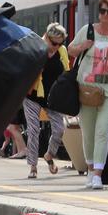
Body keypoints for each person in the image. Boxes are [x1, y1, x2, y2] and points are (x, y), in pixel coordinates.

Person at [68, 0, 108, 190]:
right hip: (87, 90)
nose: (105, 15)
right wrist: (83, 46)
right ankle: (89, 169)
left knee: (102, 130)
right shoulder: (87, 31)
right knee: (88, 132)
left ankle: (97, 174)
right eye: (102, 11)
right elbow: (70, 50)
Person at [24, 22, 70, 179]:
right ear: (47, 37)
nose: (56, 47)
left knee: (59, 128)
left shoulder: (61, 51)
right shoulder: (37, 49)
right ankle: (33, 166)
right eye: (54, 43)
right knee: (33, 129)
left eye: (60, 43)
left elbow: (66, 71)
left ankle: (49, 155)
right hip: (32, 95)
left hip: (51, 96)